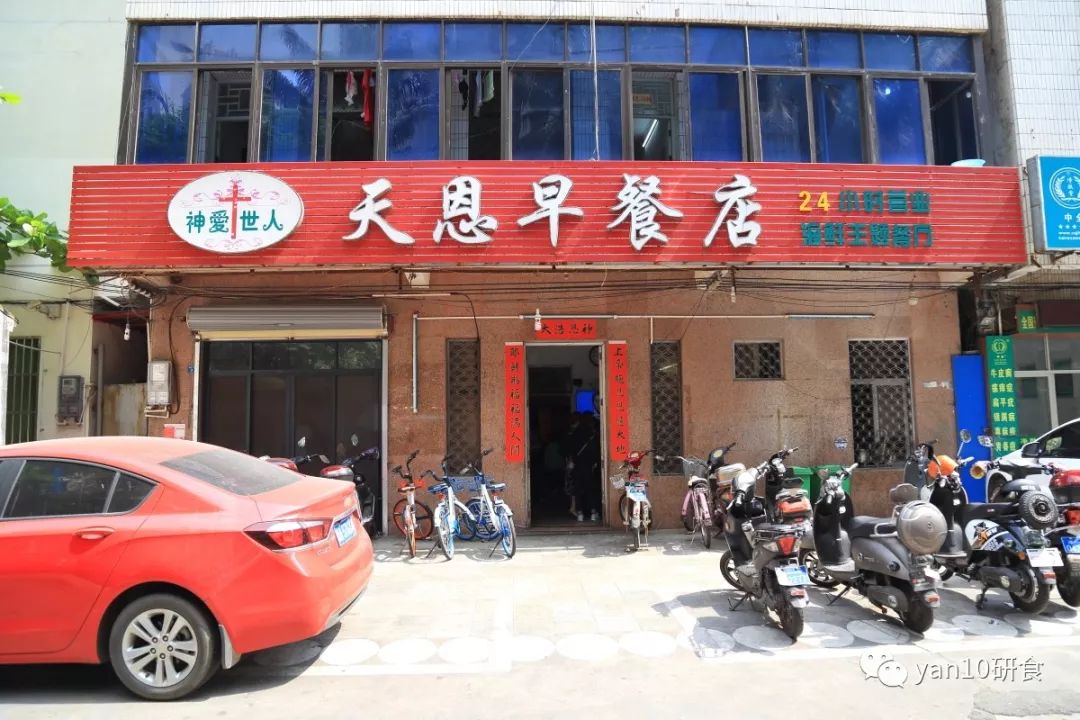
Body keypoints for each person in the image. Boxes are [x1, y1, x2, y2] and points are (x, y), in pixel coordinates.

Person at [569, 414, 601, 522]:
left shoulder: (574, 434)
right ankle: (593, 512)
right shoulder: (591, 434)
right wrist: (595, 462)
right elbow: (594, 451)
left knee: (578, 489)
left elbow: (570, 450)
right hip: (588, 467)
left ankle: (580, 513)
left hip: (577, 466)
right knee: (590, 489)